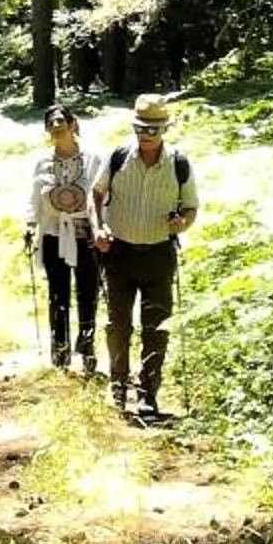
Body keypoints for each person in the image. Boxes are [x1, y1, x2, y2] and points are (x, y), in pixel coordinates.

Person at [91, 94, 198, 419]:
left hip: (159, 255)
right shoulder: (119, 156)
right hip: (119, 253)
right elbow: (95, 195)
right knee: (118, 324)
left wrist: (183, 223)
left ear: (164, 129)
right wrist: (97, 230)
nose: (147, 135)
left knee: (157, 327)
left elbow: (191, 207)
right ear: (134, 128)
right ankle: (118, 384)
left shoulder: (178, 163)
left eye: (153, 129)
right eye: (141, 128)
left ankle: (148, 392)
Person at [25, 103, 102, 374]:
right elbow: (34, 198)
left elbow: (101, 196)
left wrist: (104, 228)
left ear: (72, 125)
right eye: (51, 124)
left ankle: (88, 350)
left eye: (61, 122)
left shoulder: (93, 159)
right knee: (57, 295)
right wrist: (30, 225)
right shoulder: (43, 163)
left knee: (88, 293)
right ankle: (59, 354)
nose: (56, 128)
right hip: (53, 233)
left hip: (85, 234)